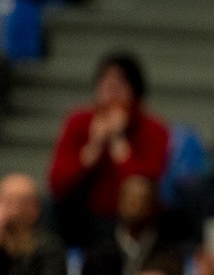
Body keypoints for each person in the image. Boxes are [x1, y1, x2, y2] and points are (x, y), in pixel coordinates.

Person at [48, 53, 170, 248]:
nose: (111, 92)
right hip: (83, 213)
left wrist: (119, 144)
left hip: (129, 218)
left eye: (119, 85)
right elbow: (58, 184)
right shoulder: (79, 121)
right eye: (105, 84)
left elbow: (145, 187)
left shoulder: (154, 129)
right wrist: (93, 148)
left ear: (134, 90)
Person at [0, 173, 68, 275]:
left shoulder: (49, 249)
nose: (5, 209)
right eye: (3, 200)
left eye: (12, 201)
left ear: (33, 209)